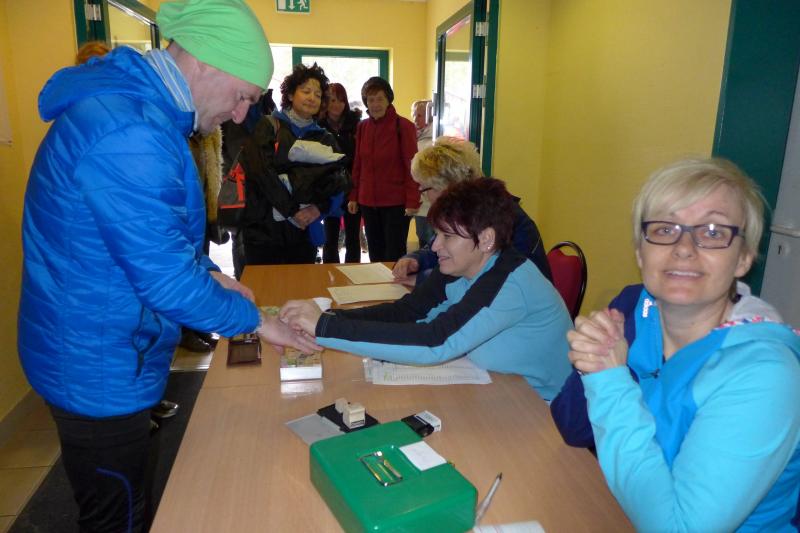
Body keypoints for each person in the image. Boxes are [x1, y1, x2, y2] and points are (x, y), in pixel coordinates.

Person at [17, 1, 320, 531]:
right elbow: (165, 280)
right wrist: (257, 322)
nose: (241, 115)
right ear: (202, 61)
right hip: (97, 365)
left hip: (94, 347)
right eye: (243, 96)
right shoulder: (130, 132)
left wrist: (211, 274)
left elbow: (151, 239)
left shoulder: (139, 114)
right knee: (118, 517)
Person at [550, 158, 800, 530]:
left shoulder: (766, 373)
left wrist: (610, 380)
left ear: (743, 258)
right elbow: (572, 427)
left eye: (713, 231)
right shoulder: (637, 308)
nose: (683, 247)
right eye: (665, 229)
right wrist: (596, 358)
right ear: (641, 252)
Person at [281, 178, 573, 401]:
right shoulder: (462, 266)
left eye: (447, 236)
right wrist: (327, 317)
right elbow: (407, 311)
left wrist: (324, 326)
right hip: (496, 389)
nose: (435, 247)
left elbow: (435, 342)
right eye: (437, 235)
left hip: (541, 409)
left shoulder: (508, 282)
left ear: (486, 239)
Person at [392, 137, 552, 286]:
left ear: (447, 186)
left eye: (426, 189)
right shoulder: (467, 211)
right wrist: (416, 260)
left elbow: (482, 277)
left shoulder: (497, 218)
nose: (424, 196)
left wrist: (423, 278)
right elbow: (438, 249)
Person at [239, 63, 350, 265]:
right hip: (262, 234)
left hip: (303, 235)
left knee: (300, 283)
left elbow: (339, 182)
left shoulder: (324, 138)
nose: (312, 97)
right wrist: (292, 211)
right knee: (262, 284)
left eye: (318, 94)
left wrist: (318, 209)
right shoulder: (268, 126)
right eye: (306, 91)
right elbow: (261, 173)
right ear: (290, 95)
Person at [348, 76, 420, 262]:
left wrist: (412, 200)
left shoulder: (403, 126)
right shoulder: (363, 127)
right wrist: (354, 196)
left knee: (394, 253)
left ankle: (395, 282)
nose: (375, 104)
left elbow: (412, 166)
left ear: (389, 100)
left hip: (396, 203)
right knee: (375, 252)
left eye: (380, 99)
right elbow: (358, 164)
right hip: (368, 202)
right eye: (371, 100)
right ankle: (378, 281)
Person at [318, 83, 362, 263]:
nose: (337, 105)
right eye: (332, 100)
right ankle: (330, 273)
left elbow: (360, 158)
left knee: (353, 237)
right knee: (330, 238)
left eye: (341, 100)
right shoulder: (318, 126)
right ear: (325, 102)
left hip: (352, 187)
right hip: (329, 188)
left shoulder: (356, 124)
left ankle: (353, 274)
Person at [411, 99, 435, 249]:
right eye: (414, 114)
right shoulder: (413, 135)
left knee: (428, 240)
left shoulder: (433, 140)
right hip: (416, 199)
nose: (415, 119)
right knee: (422, 237)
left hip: (427, 201)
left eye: (420, 115)